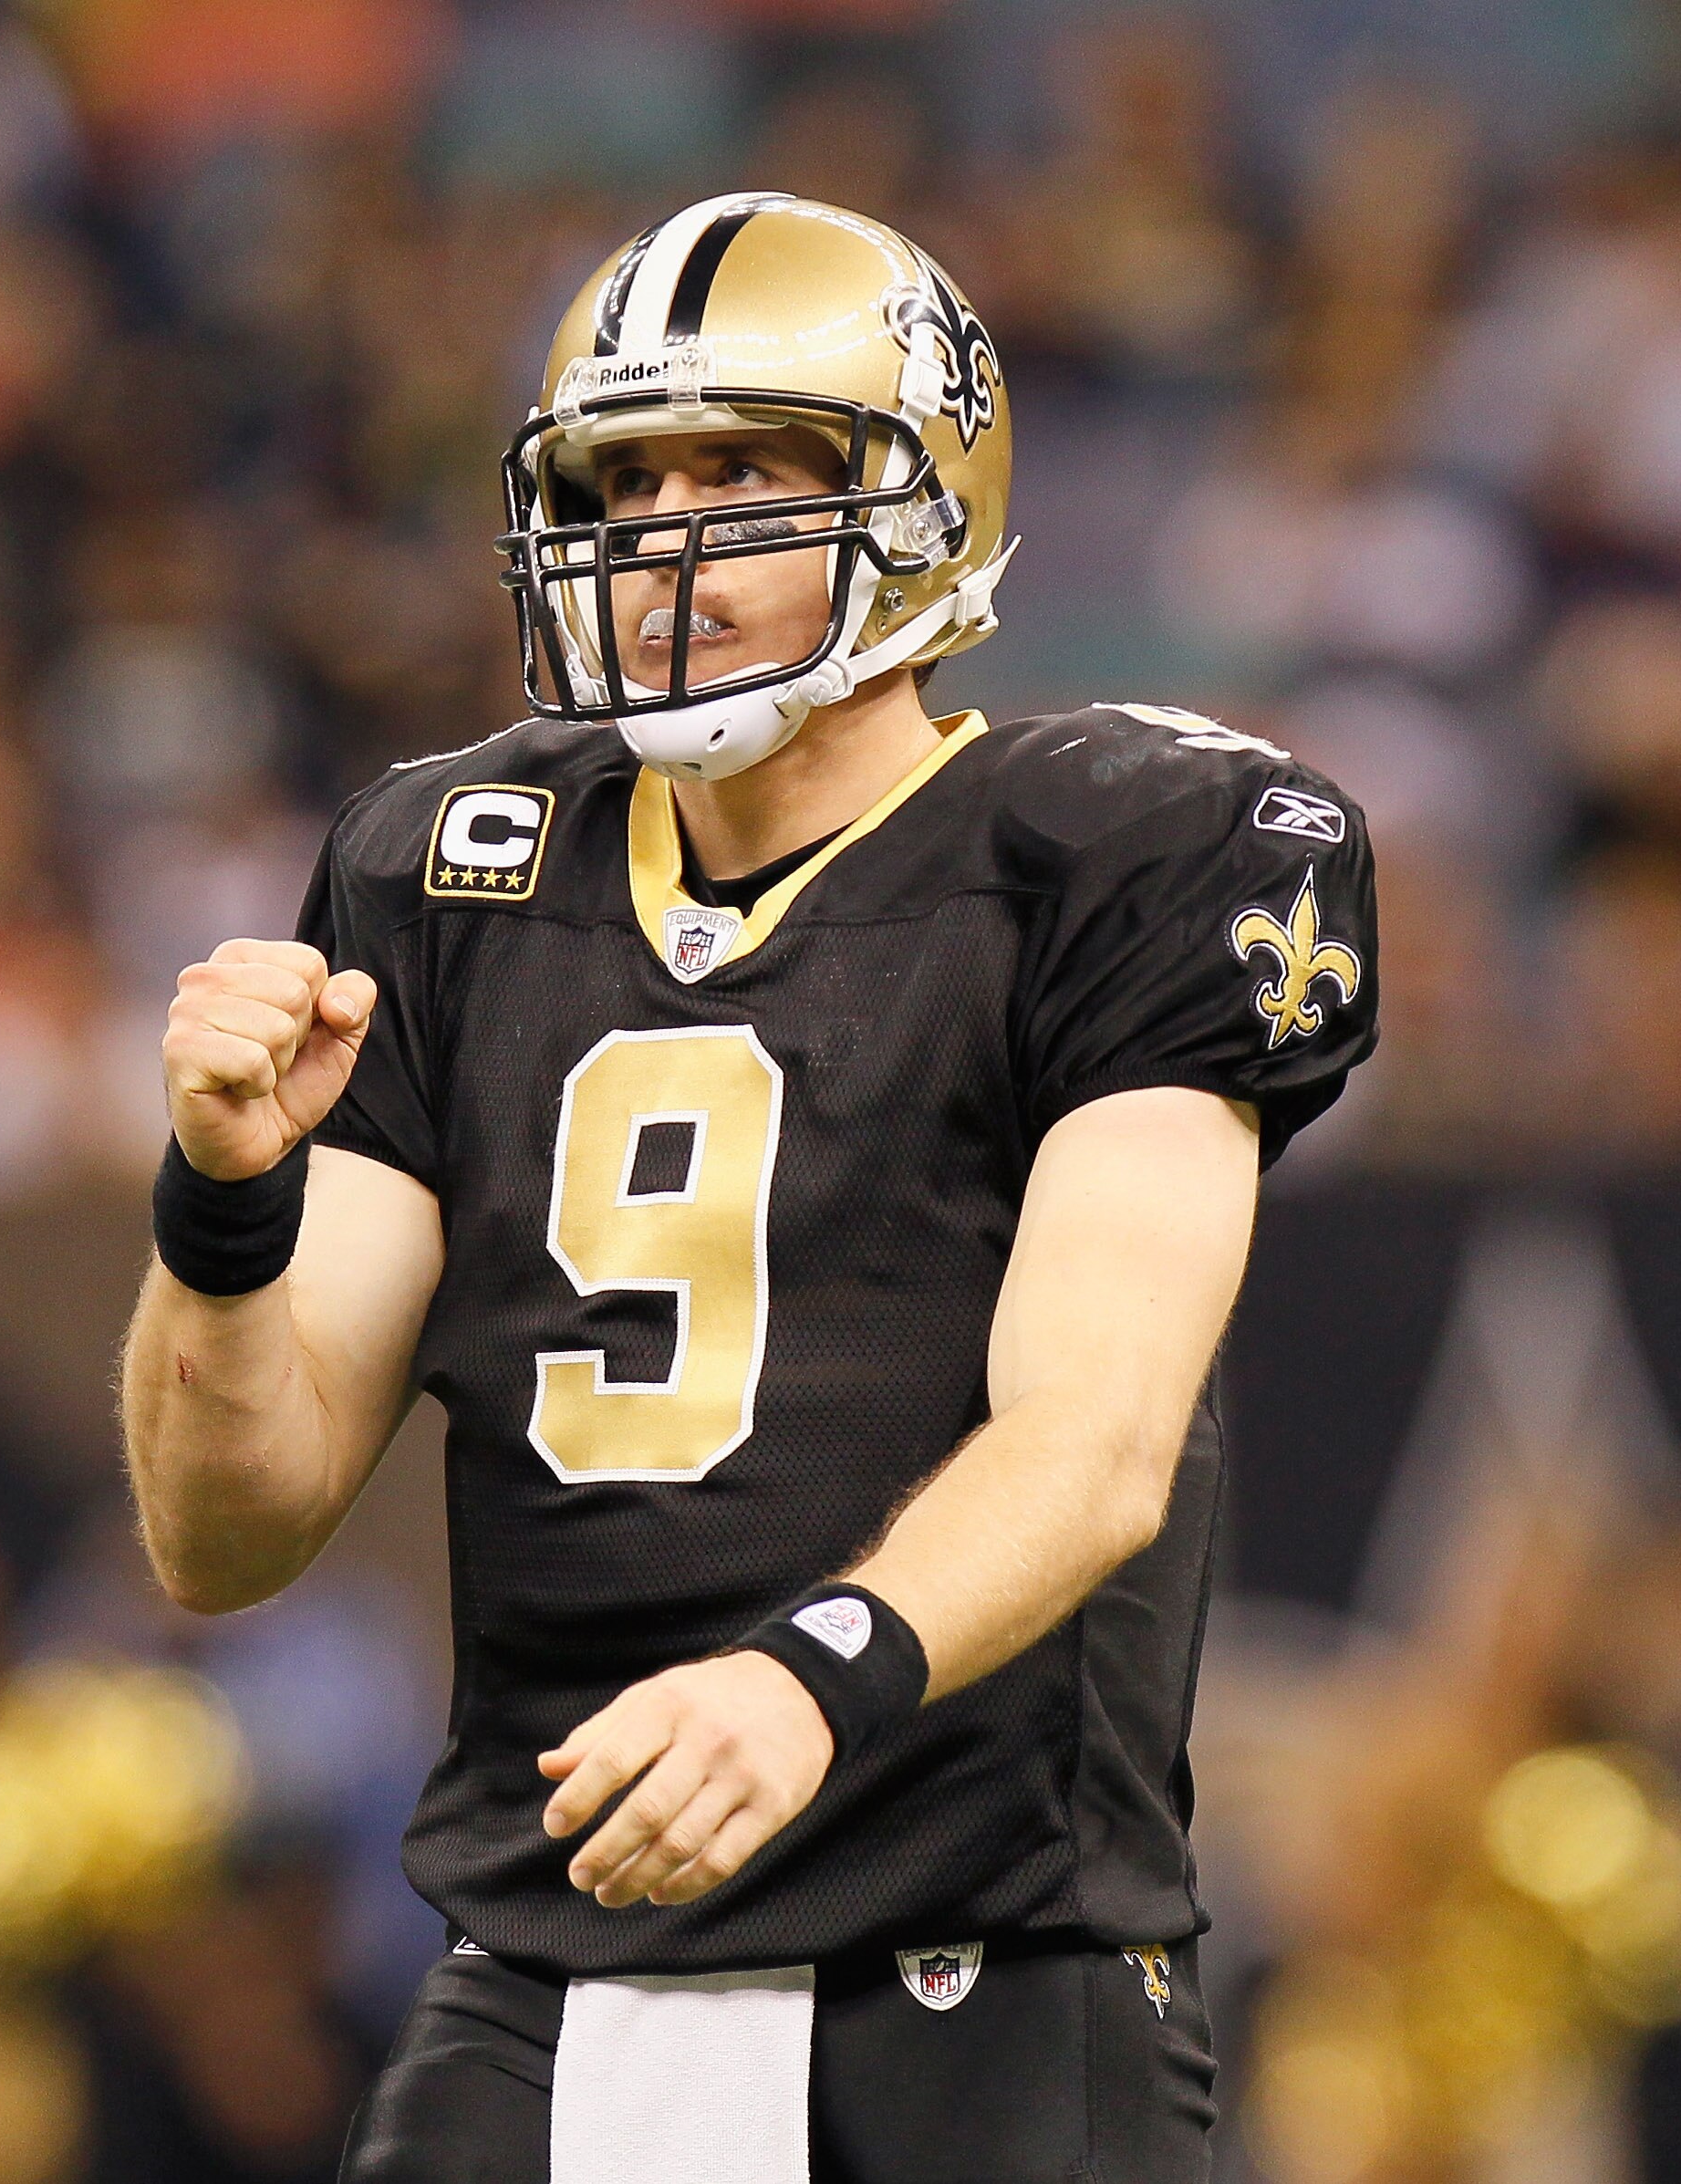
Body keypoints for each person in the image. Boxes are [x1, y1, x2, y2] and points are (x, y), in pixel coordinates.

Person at [118, 192, 1380, 2181]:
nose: (666, 536)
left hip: (980, 1967)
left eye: (746, 474)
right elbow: (225, 1530)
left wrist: (814, 1679)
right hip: (548, 1964)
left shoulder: (1123, 848)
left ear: (925, 502)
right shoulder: (449, 872)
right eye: (624, 483)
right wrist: (216, 1206)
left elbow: (1099, 1440)